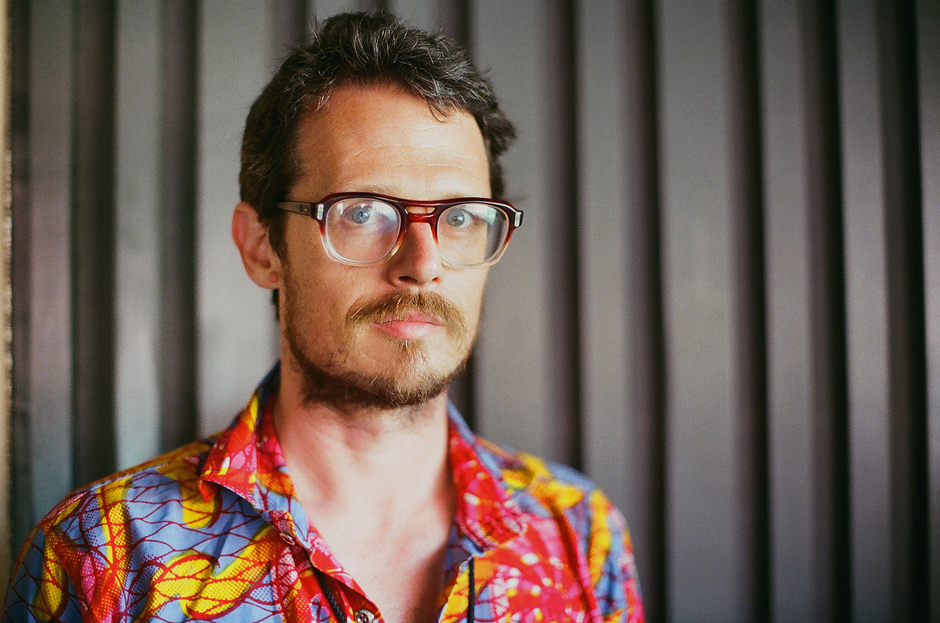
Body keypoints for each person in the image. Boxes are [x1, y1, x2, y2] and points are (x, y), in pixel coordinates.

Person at [4, 12, 644, 623]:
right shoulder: (106, 558)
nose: (423, 265)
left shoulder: (578, 536)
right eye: (363, 212)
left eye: (459, 217)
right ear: (263, 247)